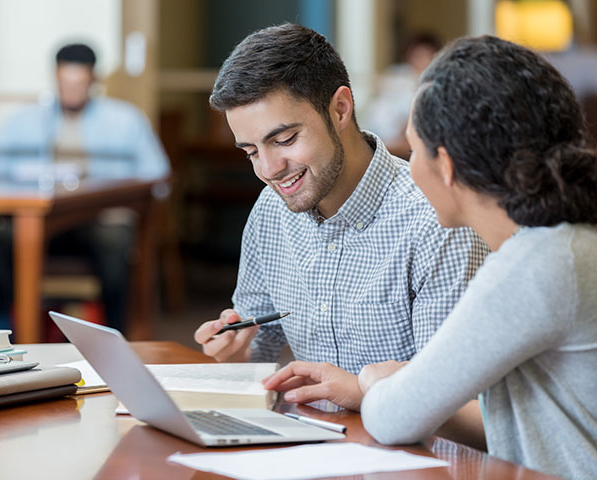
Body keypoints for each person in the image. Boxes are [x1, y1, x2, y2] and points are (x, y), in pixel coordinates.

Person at [263, 35, 597, 480]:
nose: (409, 164)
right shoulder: (566, 245)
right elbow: (527, 418)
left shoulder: (533, 266)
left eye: (414, 149)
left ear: (446, 165)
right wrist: (397, 385)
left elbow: (393, 418)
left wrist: (374, 383)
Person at [193, 24, 488, 375]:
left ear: (341, 109)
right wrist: (236, 348)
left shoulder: (435, 221)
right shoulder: (270, 211)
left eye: (284, 139)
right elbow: (260, 342)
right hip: (309, 428)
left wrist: (359, 393)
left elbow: (450, 392)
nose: (269, 169)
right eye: (251, 152)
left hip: (398, 431)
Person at [0, 43, 169, 332]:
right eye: (64, 83)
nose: (71, 91)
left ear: (93, 80)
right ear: (55, 77)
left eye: (79, 83)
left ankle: (114, 334)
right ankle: (6, 332)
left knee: (115, 244)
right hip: (40, 220)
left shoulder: (125, 119)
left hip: (98, 221)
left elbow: (158, 177)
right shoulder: (25, 120)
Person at [362, 33, 442, 159]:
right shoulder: (398, 75)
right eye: (418, 56)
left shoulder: (438, 84)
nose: (422, 61)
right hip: (385, 137)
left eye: (427, 56)